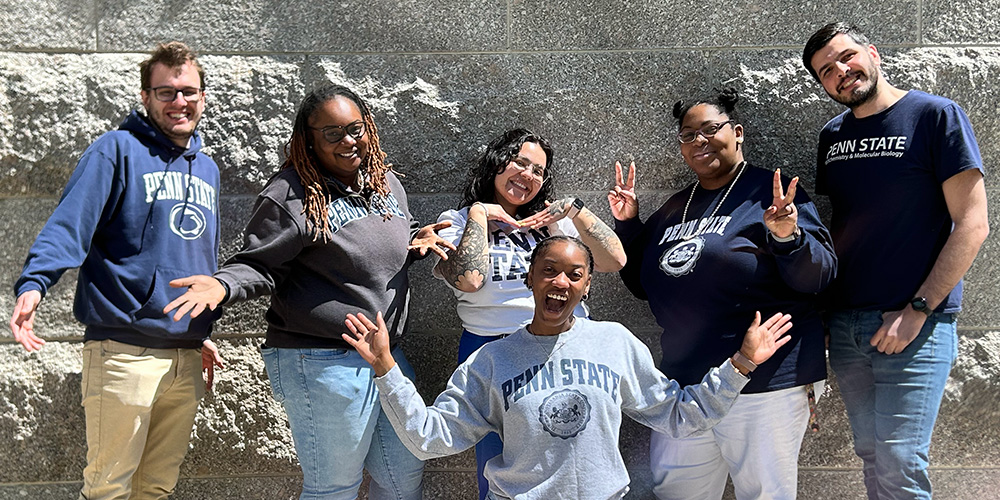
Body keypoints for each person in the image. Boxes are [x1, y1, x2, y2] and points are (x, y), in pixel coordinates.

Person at [162, 84, 454, 500]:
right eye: (332, 134)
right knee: (334, 488)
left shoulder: (383, 182)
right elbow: (259, 262)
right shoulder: (293, 194)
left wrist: (414, 240)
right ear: (309, 140)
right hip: (322, 361)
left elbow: (378, 244)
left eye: (355, 128)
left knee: (401, 476)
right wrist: (222, 283)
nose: (348, 141)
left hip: (385, 357)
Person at [343, 236, 795, 500]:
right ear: (530, 278)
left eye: (574, 274)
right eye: (549, 270)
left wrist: (740, 363)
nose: (561, 282)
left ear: (587, 286)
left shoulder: (613, 342)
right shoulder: (492, 360)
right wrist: (385, 368)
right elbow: (429, 438)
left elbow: (681, 416)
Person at [8, 42, 224, 500]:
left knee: (157, 488)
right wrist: (35, 283)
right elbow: (70, 224)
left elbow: (194, 256)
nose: (178, 102)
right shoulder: (115, 150)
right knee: (109, 489)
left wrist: (196, 326)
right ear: (145, 97)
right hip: (124, 354)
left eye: (188, 91)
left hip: (185, 357)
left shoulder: (206, 169)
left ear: (203, 96)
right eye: (165, 92)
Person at [608, 88, 837, 499]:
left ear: (737, 132)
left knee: (764, 492)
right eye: (688, 135)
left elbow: (818, 275)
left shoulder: (771, 194)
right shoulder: (677, 207)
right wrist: (629, 224)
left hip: (766, 380)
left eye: (710, 129)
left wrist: (787, 236)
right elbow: (644, 287)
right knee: (676, 492)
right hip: (684, 386)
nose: (699, 141)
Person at [802, 23, 989, 499]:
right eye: (827, 71)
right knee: (872, 454)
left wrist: (919, 310)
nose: (841, 72)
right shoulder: (832, 136)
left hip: (914, 325)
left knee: (902, 460)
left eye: (846, 57)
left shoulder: (935, 116)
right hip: (846, 327)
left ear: (872, 52)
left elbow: (972, 223)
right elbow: (842, 229)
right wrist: (825, 315)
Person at [432, 128, 626, 498]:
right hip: (492, 352)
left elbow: (614, 260)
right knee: (501, 465)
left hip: (561, 348)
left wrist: (576, 211)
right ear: (496, 163)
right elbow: (469, 279)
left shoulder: (552, 224)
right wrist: (479, 214)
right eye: (520, 163)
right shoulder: (458, 220)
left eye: (538, 171)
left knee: (571, 452)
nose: (528, 176)